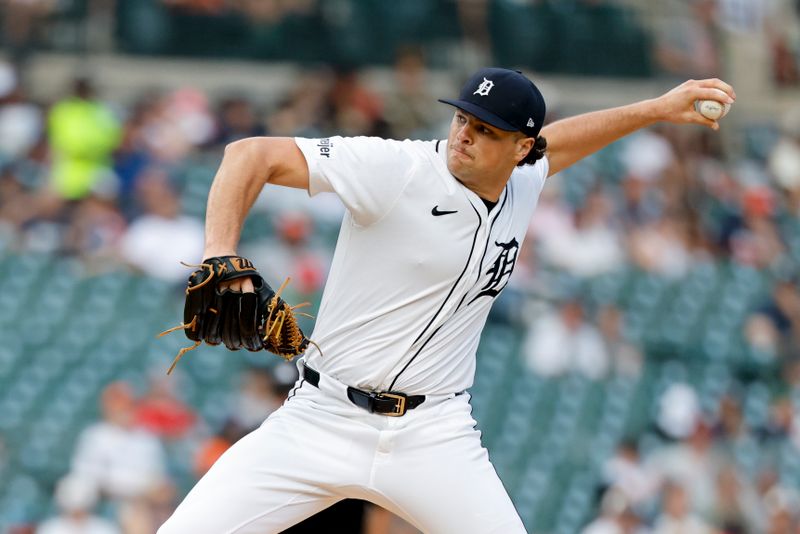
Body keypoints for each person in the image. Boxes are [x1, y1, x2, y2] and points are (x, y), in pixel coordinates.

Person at [158, 67, 735, 533]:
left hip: (432, 433)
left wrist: (657, 109)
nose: (464, 134)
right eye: (463, 118)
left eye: (485, 129)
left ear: (519, 147)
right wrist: (218, 252)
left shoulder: (525, 180)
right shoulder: (398, 170)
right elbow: (247, 155)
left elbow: (561, 142)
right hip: (321, 418)